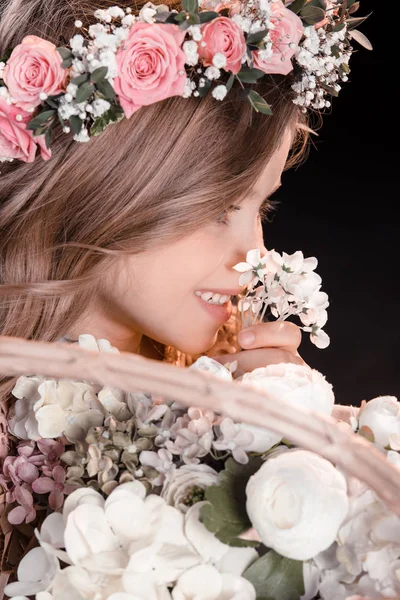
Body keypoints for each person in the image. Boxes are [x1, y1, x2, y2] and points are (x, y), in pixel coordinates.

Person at [0, 0, 317, 408]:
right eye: (218, 209)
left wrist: (278, 438)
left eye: (262, 209)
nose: (255, 255)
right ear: (98, 184)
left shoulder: (229, 380)